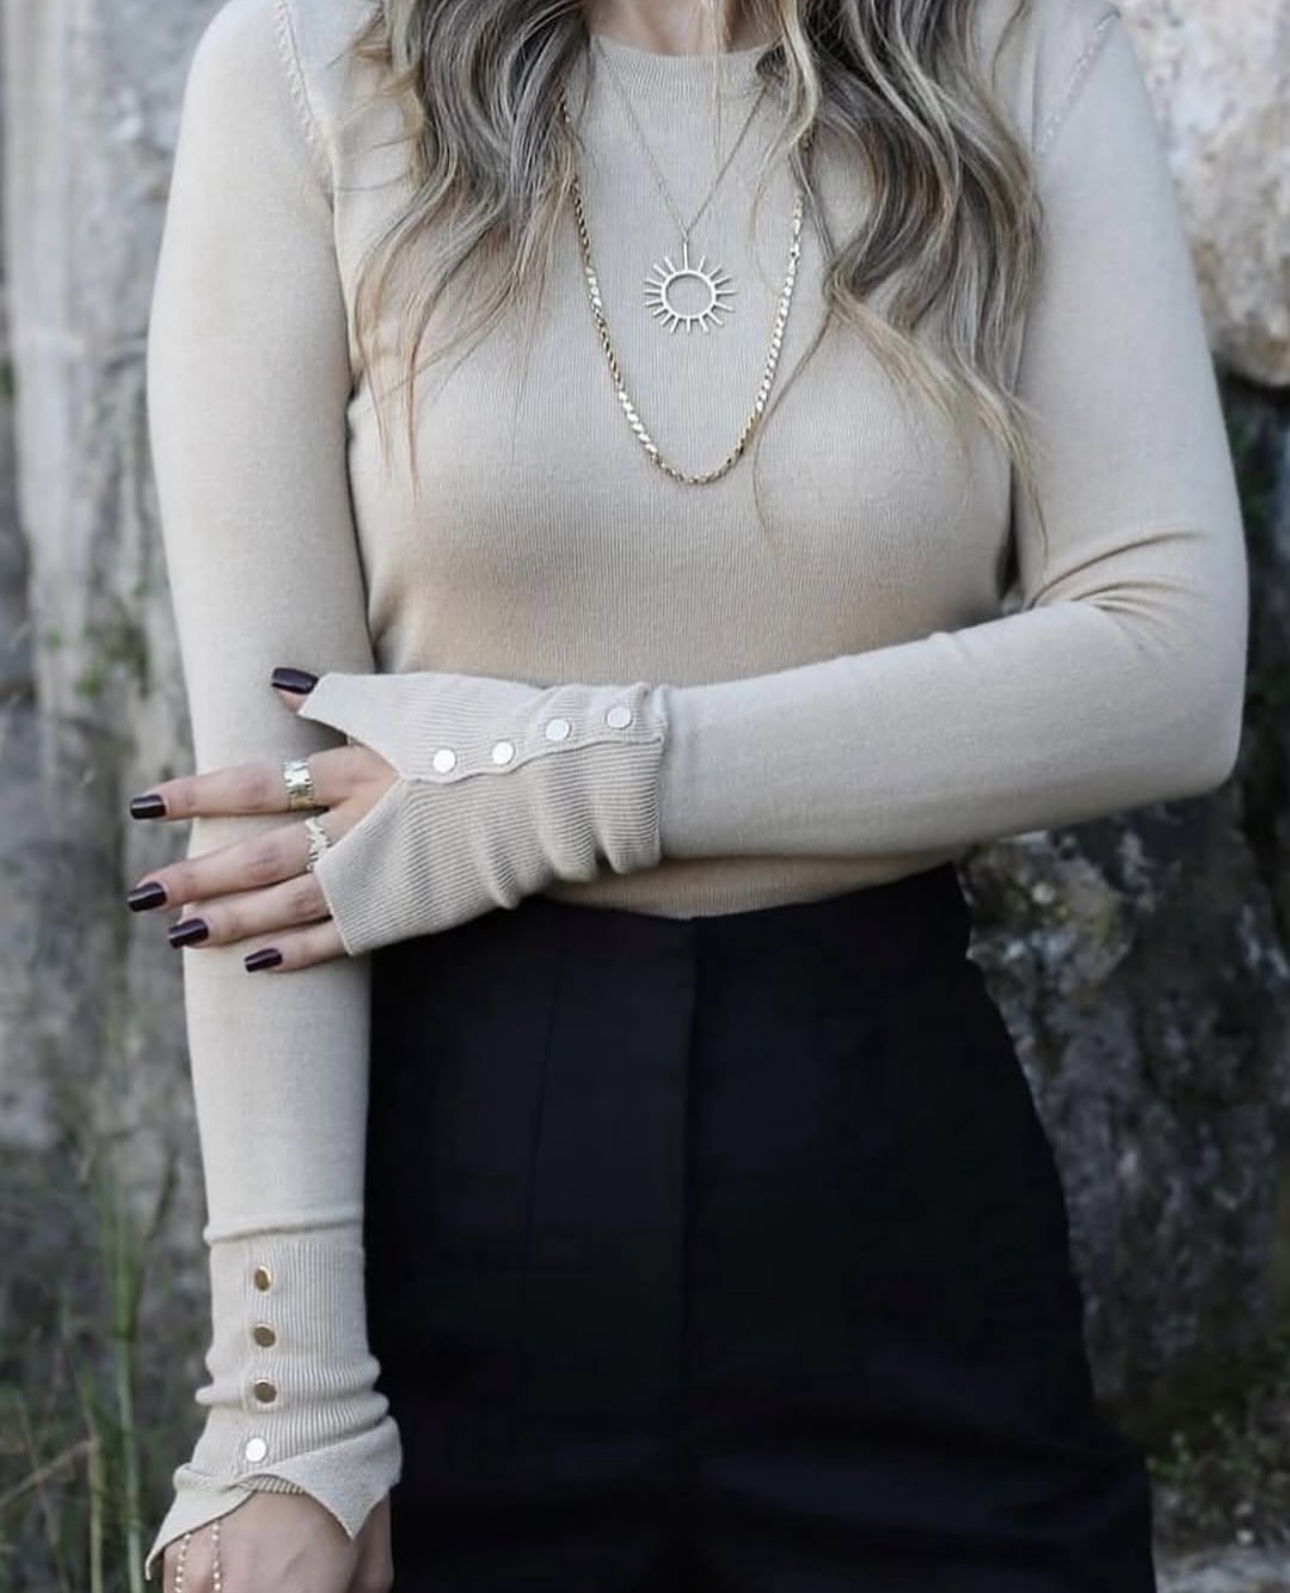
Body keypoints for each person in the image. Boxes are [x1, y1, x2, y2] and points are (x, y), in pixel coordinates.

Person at [128, 0, 1248, 1585]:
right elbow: (267, 816)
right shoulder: (313, 68)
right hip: (446, 1177)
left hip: (893, 1175)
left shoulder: (1017, 53)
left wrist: (569, 772)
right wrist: (280, 1405)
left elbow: (1167, 666)